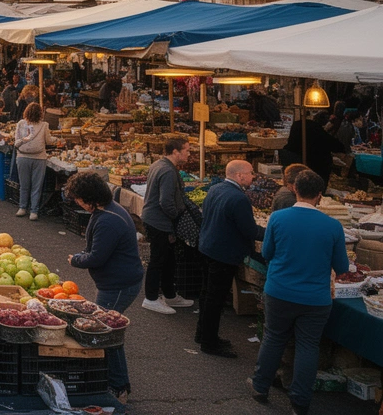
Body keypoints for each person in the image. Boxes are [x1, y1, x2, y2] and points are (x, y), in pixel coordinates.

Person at [250, 169, 351, 415]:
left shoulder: (277, 218)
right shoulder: (332, 226)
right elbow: (342, 266)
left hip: (279, 291)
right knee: (308, 346)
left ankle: (260, 387)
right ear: (320, 195)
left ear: (294, 189)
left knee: (274, 338)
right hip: (315, 298)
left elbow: (267, 253)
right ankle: (300, 401)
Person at [65, 170, 144, 404]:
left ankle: (119, 387)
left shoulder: (108, 220)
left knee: (106, 334)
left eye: (78, 198)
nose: (77, 203)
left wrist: (76, 259)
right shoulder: (106, 210)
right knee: (107, 332)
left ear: (89, 197)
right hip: (116, 282)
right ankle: (115, 382)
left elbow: (97, 257)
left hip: (119, 285)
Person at [196, 160, 261, 357]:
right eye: (250, 173)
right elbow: (250, 230)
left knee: (207, 295)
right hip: (223, 254)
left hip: (207, 247)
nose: (253, 176)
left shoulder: (215, 189)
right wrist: (275, 231)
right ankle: (209, 343)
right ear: (239, 175)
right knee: (215, 299)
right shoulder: (239, 198)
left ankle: (203, 334)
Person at [140, 137, 195, 314]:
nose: (189, 154)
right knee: (158, 260)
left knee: (169, 259)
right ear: (175, 152)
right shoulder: (168, 171)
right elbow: (166, 202)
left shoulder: (158, 164)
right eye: (186, 150)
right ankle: (151, 298)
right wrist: (177, 217)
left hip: (155, 219)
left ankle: (170, 295)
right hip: (159, 222)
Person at [13, 103, 53, 220]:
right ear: (40, 114)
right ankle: (34, 211)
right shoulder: (44, 125)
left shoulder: (21, 123)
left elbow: (16, 139)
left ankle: (22, 207)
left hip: (22, 157)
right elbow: (49, 141)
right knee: (37, 186)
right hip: (39, 158)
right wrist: (57, 139)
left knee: (24, 184)